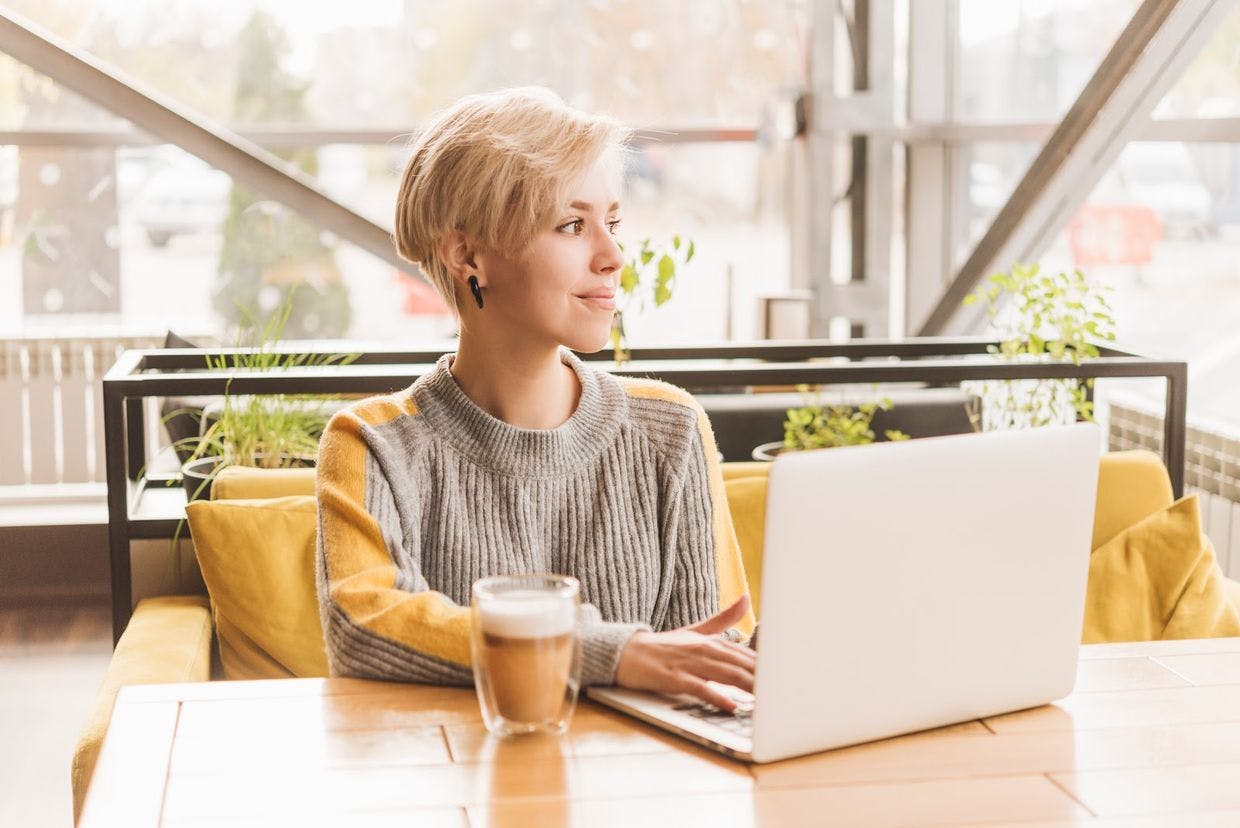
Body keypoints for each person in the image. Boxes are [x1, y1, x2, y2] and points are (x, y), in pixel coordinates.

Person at [315, 87, 756, 711]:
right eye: (573, 225)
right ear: (468, 254)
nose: (614, 257)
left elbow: (714, 659)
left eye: (614, 222)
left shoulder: (672, 430)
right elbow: (364, 624)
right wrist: (609, 651)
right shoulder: (372, 445)